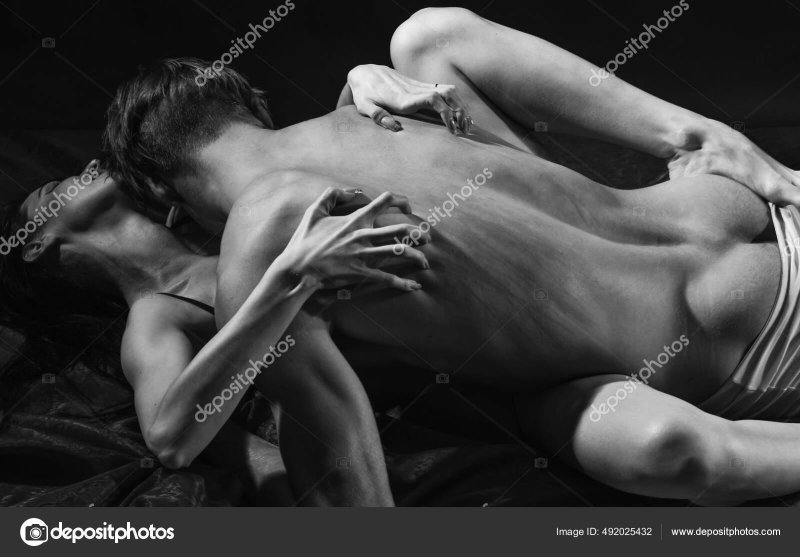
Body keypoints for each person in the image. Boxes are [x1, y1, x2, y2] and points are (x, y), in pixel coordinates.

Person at [104, 7, 800, 507]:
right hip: (751, 207)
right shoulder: (394, 100)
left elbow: (345, 486)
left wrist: (271, 291)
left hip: (748, 353)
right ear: (250, 106)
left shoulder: (265, 236)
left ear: (166, 198)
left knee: (643, 441)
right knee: (428, 35)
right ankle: (700, 136)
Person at [0, 158, 428, 505]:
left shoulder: (227, 224)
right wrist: (291, 281)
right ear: (37, 245)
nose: (91, 164)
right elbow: (171, 439)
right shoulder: (156, 317)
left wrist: (358, 90)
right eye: (54, 189)